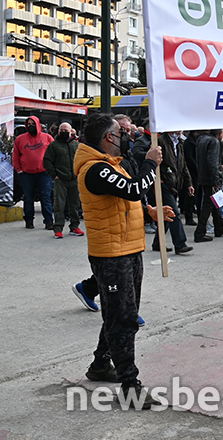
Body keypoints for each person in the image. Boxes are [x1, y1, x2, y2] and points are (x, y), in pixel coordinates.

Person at [75, 112, 172, 409]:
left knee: (121, 314)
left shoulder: (112, 165)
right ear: (108, 137)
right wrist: (150, 164)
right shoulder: (94, 168)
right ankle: (130, 385)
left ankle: (100, 365)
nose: (126, 136)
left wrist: (149, 212)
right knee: (123, 320)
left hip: (128, 249)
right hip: (111, 255)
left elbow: (127, 201)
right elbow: (131, 188)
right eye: (122, 132)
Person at [151, 131, 194, 255]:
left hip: (175, 182)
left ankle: (157, 243)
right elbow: (152, 159)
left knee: (166, 213)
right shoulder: (160, 141)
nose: (180, 131)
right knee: (174, 213)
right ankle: (180, 244)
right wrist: (157, 177)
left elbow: (182, 164)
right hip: (164, 182)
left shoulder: (179, 143)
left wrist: (189, 183)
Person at [43, 121, 84, 239]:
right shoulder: (54, 145)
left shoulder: (76, 145)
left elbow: (82, 159)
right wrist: (53, 174)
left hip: (74, 179)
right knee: (59, 205)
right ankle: (58, 228)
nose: (64, 132)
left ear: (71, 131)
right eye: (62, 130)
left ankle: (74, 226)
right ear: (59, 131)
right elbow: (47, 160)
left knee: (75, 204)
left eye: (66, 130)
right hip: (60, 179)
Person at [13, 116, 54, 230]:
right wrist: (19, 169)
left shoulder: (47, 138)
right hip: (26, 173)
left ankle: (49, 221)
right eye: (29, 124)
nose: (31, 126)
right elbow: (15, 155)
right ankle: (29, 220)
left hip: (44, 173)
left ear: (38, 124)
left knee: (45, 197)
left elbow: (54, 153)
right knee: (28, 197)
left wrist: (52, 169)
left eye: (33, 123)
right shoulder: (20, 139)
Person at [193, 129, 223, 242]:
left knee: (214, 203)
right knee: (208, 205)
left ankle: (219, 227)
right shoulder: (214, 142)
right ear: (219, 133)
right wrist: (216, 181)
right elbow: (212, 162)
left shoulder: (202, 140)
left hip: (203, 176)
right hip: (210, 178)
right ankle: (200, 232)